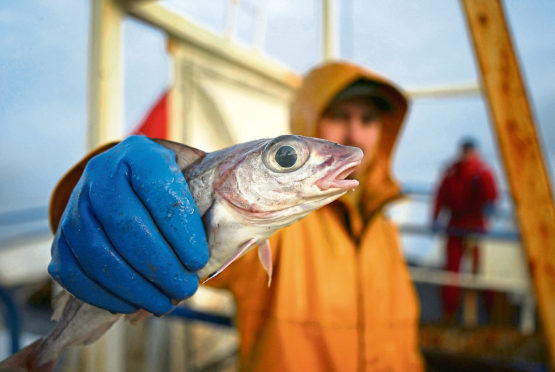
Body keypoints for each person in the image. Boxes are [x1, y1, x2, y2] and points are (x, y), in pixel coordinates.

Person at [49, 61, 423, 371]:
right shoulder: (281, 225)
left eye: (368, 119)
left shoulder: (384, 227)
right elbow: (161, 226)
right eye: (339, 115)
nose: (354, 132)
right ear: (309, 119)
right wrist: (98, 201)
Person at [432, 138, 498, 322]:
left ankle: (491, 313)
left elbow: (492, 195)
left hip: (476, 226)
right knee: (451, 272)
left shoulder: (483, 173)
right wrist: (435, 217)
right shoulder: (452, 172)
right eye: (465, 152)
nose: (467, 156)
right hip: (455, 225)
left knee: (482, 272)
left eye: (470, 153)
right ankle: (450, 313)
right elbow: (441, 195)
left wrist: (488, 205)